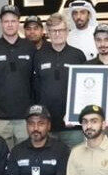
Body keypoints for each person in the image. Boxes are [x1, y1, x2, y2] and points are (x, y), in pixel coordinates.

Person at [0, 4, 37, 147]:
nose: (10, 24)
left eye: (13, 21)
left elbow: (36, 82)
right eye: (6, 21)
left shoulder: (30, 47)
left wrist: (34, 111)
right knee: (1, 158)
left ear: (18, 22)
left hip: (25, 119)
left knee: (25, 157)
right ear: (1, 23)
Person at [33, 13, 88, 146]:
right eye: (53, 31)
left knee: (75, 159)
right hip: (47, 125)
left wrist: (76, 116)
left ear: (67, 31)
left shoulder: (78, 55)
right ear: (48, 33)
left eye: (61, 30)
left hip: (73, 126)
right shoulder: (39, 56)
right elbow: (35, 88)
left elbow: (84, 90)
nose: (57, 34)